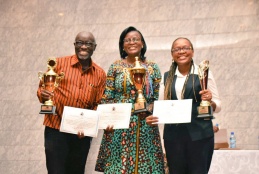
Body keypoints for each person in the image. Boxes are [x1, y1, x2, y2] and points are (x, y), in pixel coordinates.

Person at [146, 37, 221, 174]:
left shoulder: (203, 73)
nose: (181, 52)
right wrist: (152, 117)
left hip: (200, 136)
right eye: (177, 49)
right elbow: (161, 105)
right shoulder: (167, 77)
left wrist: (210, 101)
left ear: (192, 52)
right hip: (173, 137)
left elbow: (218, 105)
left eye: (185, 48)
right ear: (172, 54)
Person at [95, 26, 165, 173]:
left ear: (142, 43)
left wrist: (152, 110)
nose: (131, 42)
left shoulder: (152, 67)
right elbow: (107, 97)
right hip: (120, 126)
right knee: (119, 168)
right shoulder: (115, 67)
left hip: (145, 126)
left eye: (135, 39)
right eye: (127, 40)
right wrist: (107, 121)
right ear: (122, 45)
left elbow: (156, 97)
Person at [37, 31, 106, 174]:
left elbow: (98, 104)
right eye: (80, 42)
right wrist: (43, 94)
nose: (84, 47)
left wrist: (87, 126)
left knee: (76, 171)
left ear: (95, 47)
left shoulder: (100, 74)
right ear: (74, 45)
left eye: (88, 43)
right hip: (56, 130)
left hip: (81, 133)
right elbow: (42, 88)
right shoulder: (58, 64)